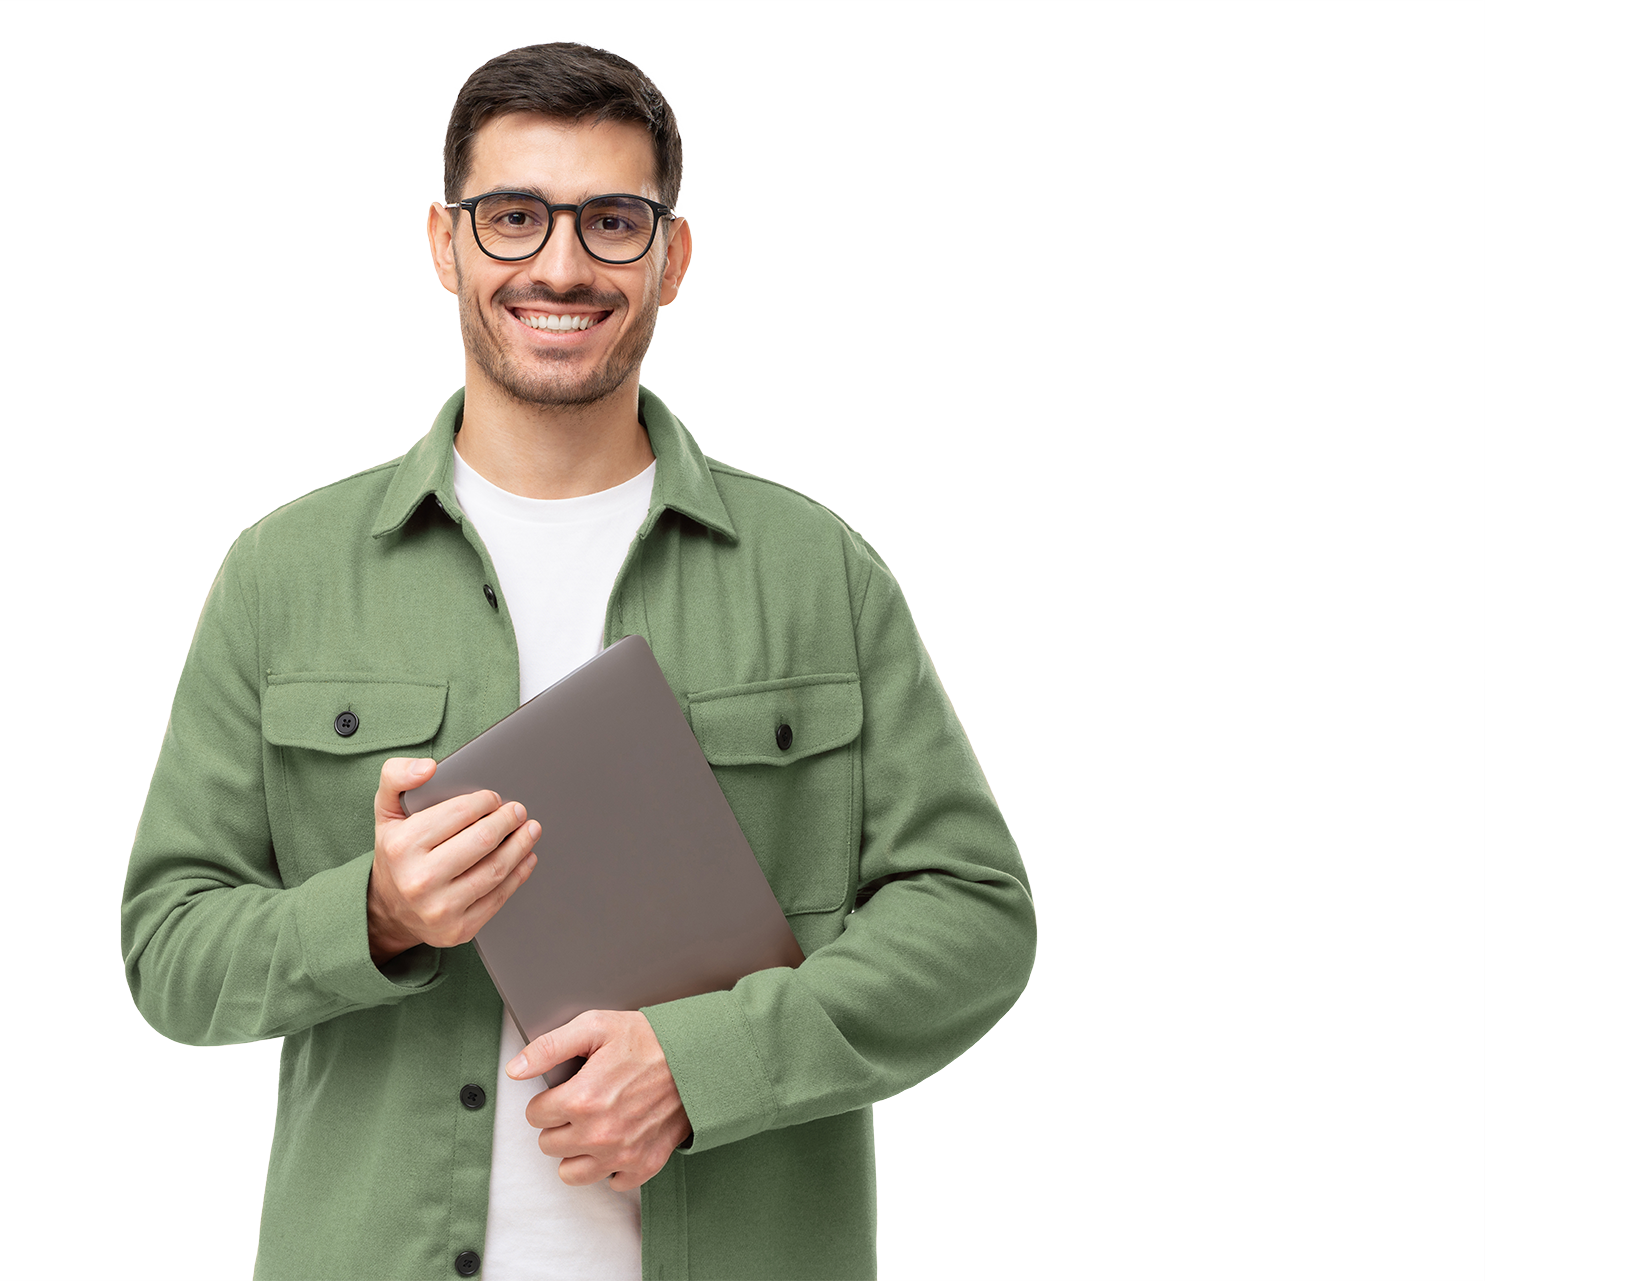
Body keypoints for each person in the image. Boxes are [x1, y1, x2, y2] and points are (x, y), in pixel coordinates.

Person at [120, 41, 1035, 1281]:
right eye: (513, 218)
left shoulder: (816, 574)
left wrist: (705, 1065)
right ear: (446, 245)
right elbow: (172, 951)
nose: (560, 265)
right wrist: (376, 914)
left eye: (613, 221)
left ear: (672, 257)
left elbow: (973, 916)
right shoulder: (285, 574)